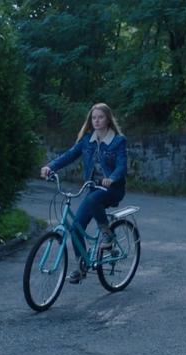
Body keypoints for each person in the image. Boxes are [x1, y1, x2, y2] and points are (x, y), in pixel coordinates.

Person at [41, 103, 127, 284]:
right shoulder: (87, 140)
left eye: (100, 117)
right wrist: (50, 166)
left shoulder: (118, 141)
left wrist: (112, 178)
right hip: (94, 188)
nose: (96, 121)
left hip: (113, 189)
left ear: (108, 119)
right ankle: (81, 266)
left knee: (95, 199)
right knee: (75, 227)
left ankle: (107, 234)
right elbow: (69, 155)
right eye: (93, 118)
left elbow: (121, 166)